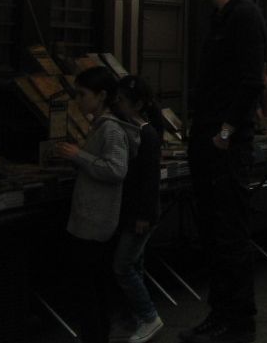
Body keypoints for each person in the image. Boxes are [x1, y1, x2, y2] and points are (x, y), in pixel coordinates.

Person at [181, 0, 267, 343]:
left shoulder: (245, 17)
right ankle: (221, 313)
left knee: (229, 231)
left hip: (225, 142)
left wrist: (226, 132)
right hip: (208, 135)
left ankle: (236, 319)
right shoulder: (219, 17)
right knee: (214, 230)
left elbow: (252, 82)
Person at [55, 66, 135, 343]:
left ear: (101, 96)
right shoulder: (99, 127)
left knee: (91, 290)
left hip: (96, 223)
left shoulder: (111, 130)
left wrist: (80, 157)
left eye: (83, 94)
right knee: (90, 289)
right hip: (88, 220)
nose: (79, 99)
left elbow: (116, 169)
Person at [114, 76, 165, 343]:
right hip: (138, 210)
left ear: (137, 104)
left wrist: (143, 215)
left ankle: (148, 316)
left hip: (141, 213)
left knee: (123, 265)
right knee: (135, 263)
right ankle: (136, 316)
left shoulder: (145, 133)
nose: (117, 104)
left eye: (121, 100)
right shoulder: (137, 129)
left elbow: (149, 179)